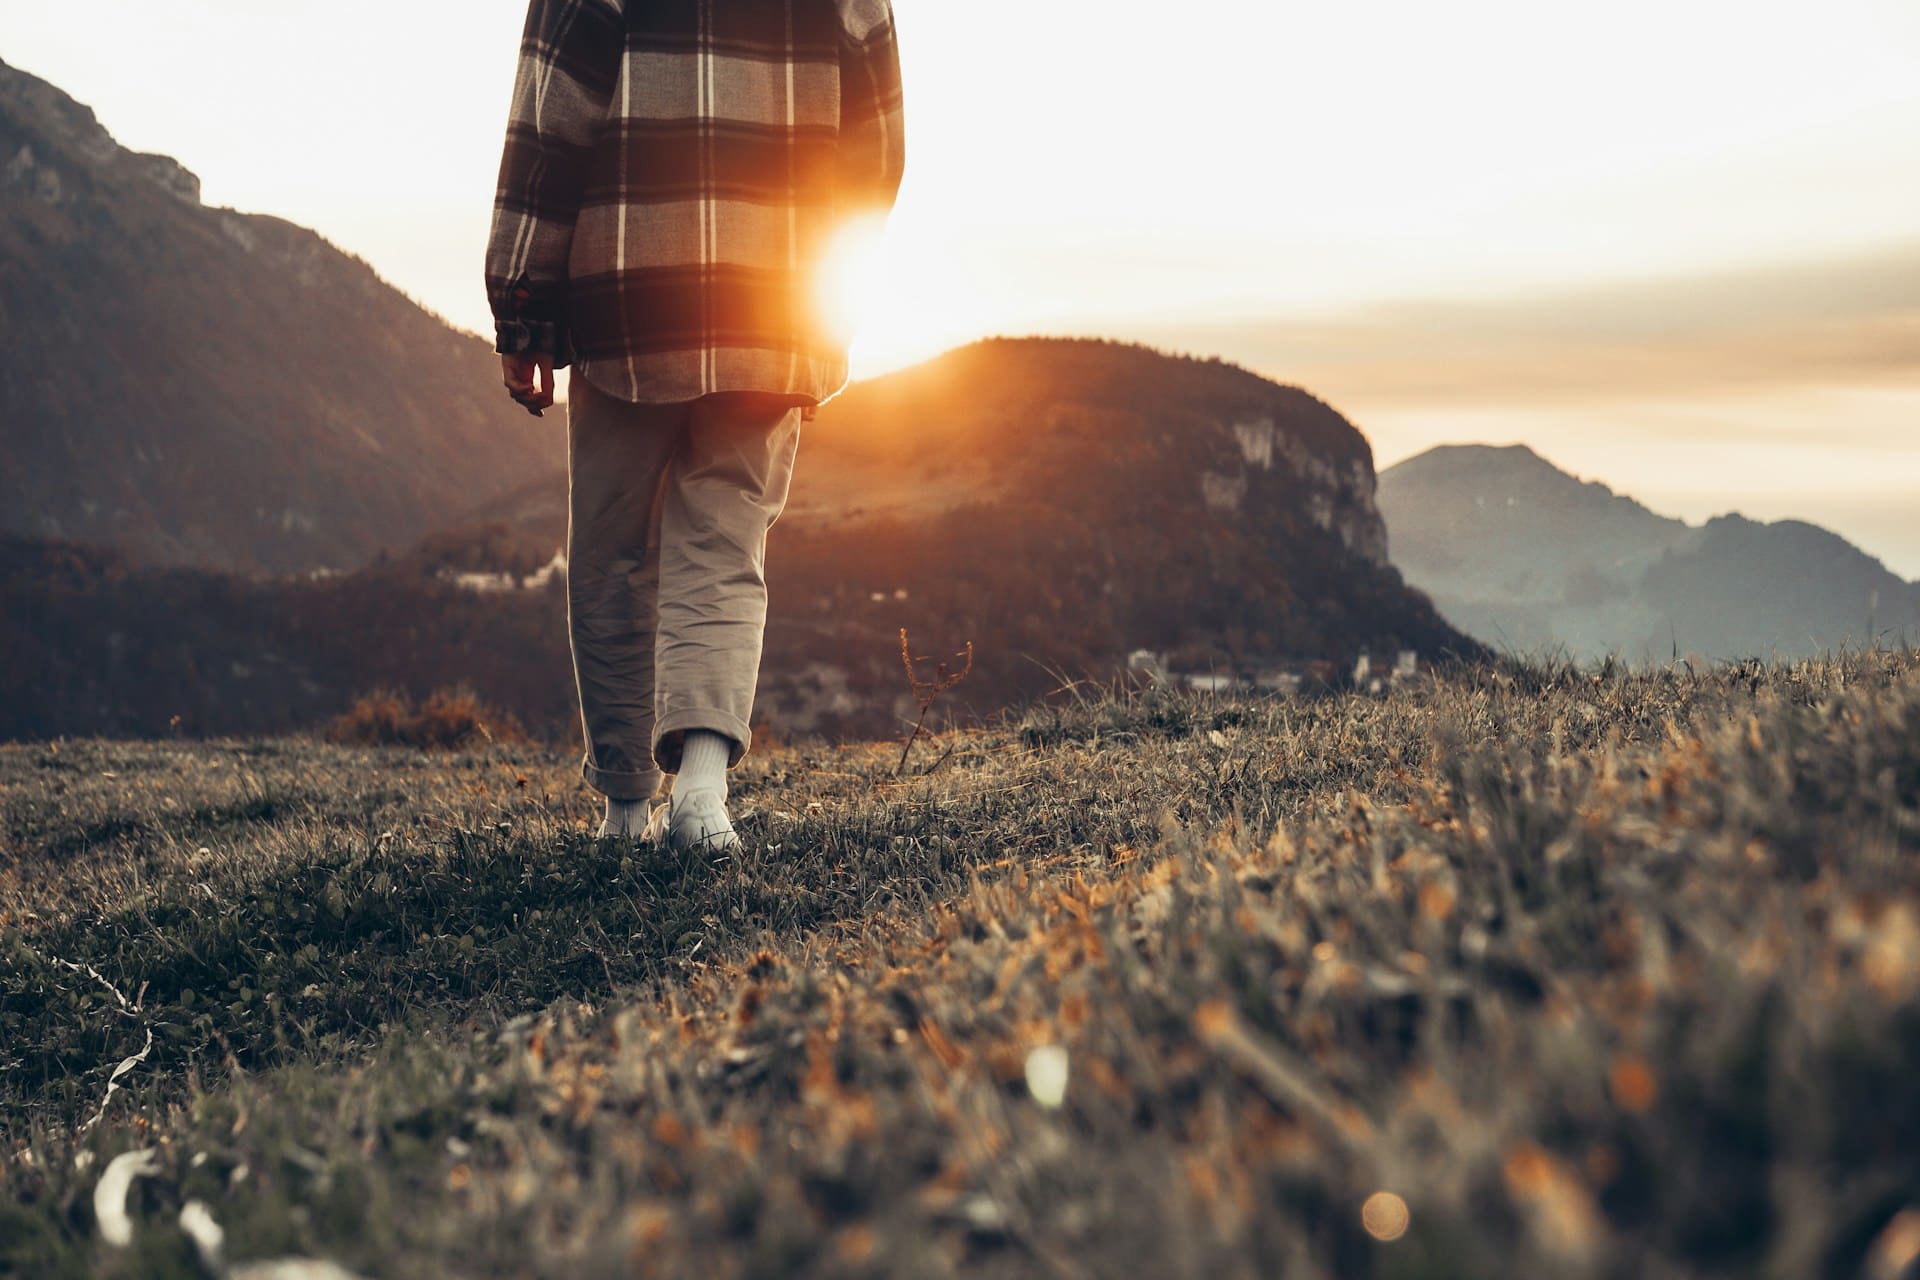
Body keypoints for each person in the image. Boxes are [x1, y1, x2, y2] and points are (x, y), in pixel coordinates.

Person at [485, 0, 904, 851]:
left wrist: (522, 303)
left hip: (629, 296)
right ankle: (703, 798)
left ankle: (625, 810)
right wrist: (824, 281)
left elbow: (549, 122)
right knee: (727, 540)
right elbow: (878, 145)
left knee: (612, 550)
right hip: (776, 298)